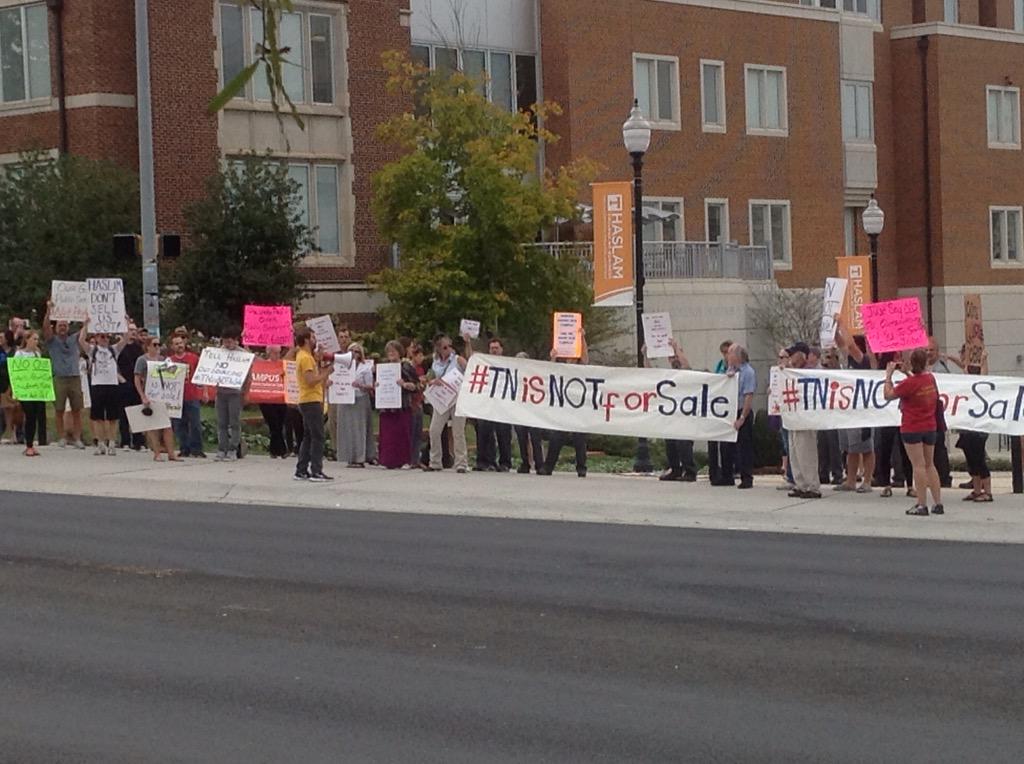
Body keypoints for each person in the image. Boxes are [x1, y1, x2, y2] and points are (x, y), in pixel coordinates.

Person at [884, 349, 943, 516]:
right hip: (930, 426)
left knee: (918, 465)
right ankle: (938, 502)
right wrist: (908, 373)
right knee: (930, 464)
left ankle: (921, 504)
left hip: (912, 427)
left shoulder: (908, 384)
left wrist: (888, 377)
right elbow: (920, 386)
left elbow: (888, 395)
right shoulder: (930, 379)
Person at [540, 328, 590, 478]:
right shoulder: (560, 366)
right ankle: (548, 467)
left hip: (577, 407)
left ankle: (581, 468)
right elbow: (550, 373)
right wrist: (553, 358)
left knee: (579, 438)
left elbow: (586, 359)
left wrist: (582, 339)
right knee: (556, 437)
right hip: (563, 407)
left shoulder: (580, 366)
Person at [833, 318, 876, 493]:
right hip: (849, 410)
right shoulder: (849, 360)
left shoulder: (863, 361)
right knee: (851, 448)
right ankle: (850, 480)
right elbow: (842, 344)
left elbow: (850, 346)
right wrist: (833, 330)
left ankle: (867, 481)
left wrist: (842, 324)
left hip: (862, 410)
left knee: (865, 447)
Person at [78, 318, 129, 455]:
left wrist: (125, 322)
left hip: (112, 385)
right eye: (102, 336)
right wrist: (85, 325)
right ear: (96, 338)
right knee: (98, 417)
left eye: (107, 337)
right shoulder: (92, 350)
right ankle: (100, 442)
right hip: (97, 385)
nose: (105, 339)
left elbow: (126, 339)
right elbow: (81, 340)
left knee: (113, 417)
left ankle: (111, 442)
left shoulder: (114, 350)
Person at [651, 339, 698, 482]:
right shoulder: (668, 374)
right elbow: (649, 375)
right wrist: (646, 355)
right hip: (671, 414)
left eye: (676, 356)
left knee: (684, 443)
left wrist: (676, 349)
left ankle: (690, 471)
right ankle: (675, 469)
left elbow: (687, 366)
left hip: (685, 413)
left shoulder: (686, 373)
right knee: (670, 443)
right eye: (672, 357)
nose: (674, 359)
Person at [42, 300, 86, 449]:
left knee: (77, 410)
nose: (62, 327)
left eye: (64, 325)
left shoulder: (74, 339)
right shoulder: (52, 341)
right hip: (59, 378)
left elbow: (85, 330)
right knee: (59, 409)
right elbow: (45, 327)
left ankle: (77, 438)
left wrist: (86, 320)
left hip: (74, 377)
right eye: (60, 325)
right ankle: (61, 437)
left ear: (68, 327)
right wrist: (48, 311)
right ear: (55, 327)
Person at [293, 327, 333, 482]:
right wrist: (326, 372)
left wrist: (320, 359)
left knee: (309, 436)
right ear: (306, 340)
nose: (315, 340)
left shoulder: (304, 356)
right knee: (318, 436)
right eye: (313, 338)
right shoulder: (305, 358)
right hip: (311, 400)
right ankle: (316, 470)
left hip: (307, 400)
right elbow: (310, 380)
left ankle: (301, 469)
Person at [134, 334, 181, 462]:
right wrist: (142, 396)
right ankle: (157, 453)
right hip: (150, 395)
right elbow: (137, 378)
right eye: (154, 344)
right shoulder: (142, 360)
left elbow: (173, 373)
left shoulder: (163, 359)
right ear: (148, 346)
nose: (157, 347)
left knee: (167, 426)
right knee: (154, 426)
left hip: (164, 396)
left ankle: (171, 453)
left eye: (159, 344)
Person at [426, 333, 469, 473]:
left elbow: (470, 371)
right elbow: (429, 378)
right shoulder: (435, 362)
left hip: (457, 398)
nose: (448, 349)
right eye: (445, 347)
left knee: (458, 431)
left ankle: (461, 462)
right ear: (438, 348)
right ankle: (435, 461)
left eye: (450, 346)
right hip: (442, 398)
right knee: (434, 430)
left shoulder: (457, 359)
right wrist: (433, 381)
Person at [471, 336, 513, 472]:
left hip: (503, 404)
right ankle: (484, 461)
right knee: (483, 432)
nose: (494, 350)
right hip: (487, 403)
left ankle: (505, 462)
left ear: (502, 349)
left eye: (496, 348)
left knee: (503, 433)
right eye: (492, 348)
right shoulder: (485, 363)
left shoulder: (509, 364)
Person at [717, 343, 756, 489]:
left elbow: (748, 396)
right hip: (730, 411)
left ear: (738, 356)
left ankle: (747, 477)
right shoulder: (730, 370)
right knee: (726, 445)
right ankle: (727, 475)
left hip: (741, 411)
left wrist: (742, 417)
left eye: (730, 353)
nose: (728, 356)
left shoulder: (748, 372)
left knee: (744, 446)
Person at [956, 349, 993, 502]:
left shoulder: (981, 382)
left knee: (978, 458)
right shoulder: (966, 377)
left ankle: (988, 491)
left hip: (978, 426)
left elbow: (984, 376)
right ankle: (977, 489)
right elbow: (963, 366)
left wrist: (983, 359)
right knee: (971, 459)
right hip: (967, 425)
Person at [784, 349, 821, 499]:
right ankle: (801, 484)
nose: (791, 358)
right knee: (795, 452)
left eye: (793, 354)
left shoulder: (809, 372)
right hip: (793, 417)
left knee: (806, 452)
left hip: (806, 418)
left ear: (802, 355)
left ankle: (812, 485)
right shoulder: (790, 372)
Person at [377, 340, 420, 469]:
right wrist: (377, 385)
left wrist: (405, 384)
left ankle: (404, 460)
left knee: (402, 434)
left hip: (402, 405)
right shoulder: (383, 368)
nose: (391, 353)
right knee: (387, 435)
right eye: (389, 351)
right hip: (386, 406)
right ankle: (387, 460)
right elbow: (377, 385)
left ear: (399, 352)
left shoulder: (406, 367)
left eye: (394, 350)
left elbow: (417, 386)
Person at [213, 326, 249, 461]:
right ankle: (222, 448)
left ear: (235, 340)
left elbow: (248, 377)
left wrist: (246, 393)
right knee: (221, 422)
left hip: (235, 393)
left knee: (234, 422)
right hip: (221, 392)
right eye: (225, 342)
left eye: (229, 342)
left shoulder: (243, 355)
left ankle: (233, 449)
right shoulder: (218, 353)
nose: (227, 345)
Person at [337, 342, 375, 467]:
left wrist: (361, 385)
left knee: (359, 429)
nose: (354, 353)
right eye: (351, 351)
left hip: (360, 399)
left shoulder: (365, 368)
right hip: (345, 399)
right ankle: (348, 456)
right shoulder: (342, 366)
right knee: (347, 429)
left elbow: (370, 386)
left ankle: (359, 458)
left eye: (356, 351)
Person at [168, 334, 205, 458]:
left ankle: (197, 449)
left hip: (192, 395)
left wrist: (204, 391)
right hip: (176, 398)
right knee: (179, 425)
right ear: (172, 346)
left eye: (181, 343)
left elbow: (201, 374)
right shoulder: (169, 361)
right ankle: (184, 448)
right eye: (176, 343)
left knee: (195, 424)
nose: (179, 345)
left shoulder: (193, 358)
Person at [925, 336, 954, 488]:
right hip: (928, 414)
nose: (928, 353)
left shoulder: (940, 370)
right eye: (926, 350)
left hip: (937, 414)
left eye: (931, 350)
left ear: (937, 352)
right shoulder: (924, 368)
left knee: (938, 447)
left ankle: (943, 477)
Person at [13, 329, 46, 456]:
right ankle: (28, 445)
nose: (36, 341)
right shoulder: (19, 354)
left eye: (37, 339)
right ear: (27, 340)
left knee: (34, 416)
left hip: (36, 390)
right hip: (25, 390)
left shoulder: (37, 354)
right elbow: (16, 372)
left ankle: (30, 444)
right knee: (29, 414)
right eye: (34, 339)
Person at [816, 347, 844, 485]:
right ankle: (823, 473)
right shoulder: (820, 373)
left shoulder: (840, 372)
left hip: (835, 413)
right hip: (823, 412)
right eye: (825, 357)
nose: (826, 361)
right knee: (822, 444)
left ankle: (837, 473)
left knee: (834, 444)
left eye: (829, 357)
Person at [513, 350, 545, 474]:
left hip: (533, 411)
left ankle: (539, 463)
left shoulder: (535, 374)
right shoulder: (514, 375)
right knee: (522, 438)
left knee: (535, 438)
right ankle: (525, 463)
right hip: (519, 411)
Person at [707, 338, 733, 485]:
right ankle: (714, 472)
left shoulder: (735, 367)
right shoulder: (720, 365)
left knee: (726, 444)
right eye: (723, 353)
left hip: (728, 407)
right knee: (713, 442)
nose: (725, 356)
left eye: (727, 352)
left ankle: (727, 473)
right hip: (717, 406)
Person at [116, 323, 146, 450]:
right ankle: (125, 441)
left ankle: (139, 441)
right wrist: (121, 379)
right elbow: (113, 364)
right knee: (123, 413)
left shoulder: (139, 348)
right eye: (130, 329)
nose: (133, 332)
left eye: (135, 330)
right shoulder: (119, 347)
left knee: (137, 412)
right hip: (123, 383)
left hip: (136, 384)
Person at [326, 324, 352, 460]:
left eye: (346, 337)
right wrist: (326, 380)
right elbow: (325, 370)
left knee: (346, 421)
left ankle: (346, 447)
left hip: (348, 391)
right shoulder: (332, 355)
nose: (343, 339)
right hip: (334, 390)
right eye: (341, 337)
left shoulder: (353, 354)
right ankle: (334, 448)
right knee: (333, 420)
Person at [407, 341, 428, 467]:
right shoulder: (409, 368)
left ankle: (415, 459)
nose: (422, 358)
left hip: (419, 401)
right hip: (411, 403)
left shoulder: (421, 369)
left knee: (418, 433)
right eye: (419, 355)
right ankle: (409, 458)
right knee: (411, 431)